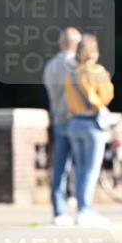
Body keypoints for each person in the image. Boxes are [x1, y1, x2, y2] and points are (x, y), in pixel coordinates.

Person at [64, 33, 115, 227]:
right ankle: (85, 210)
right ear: (93, 51)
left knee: (79, 168)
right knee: (91, 170)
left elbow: (68, 100)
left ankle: (81, 208)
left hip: (74, 123)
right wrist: (107, 82)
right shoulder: (97, 72)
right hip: (92, 125)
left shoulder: (71, 73)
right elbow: (106, 97)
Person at [43, 26, 81, 225]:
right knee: (82, 166)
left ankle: (58, 211)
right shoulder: (76, 65)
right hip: (75, 120)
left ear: (61, 44)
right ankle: (82, 207)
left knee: (59, 167)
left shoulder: (50, 66)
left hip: (57, 120)